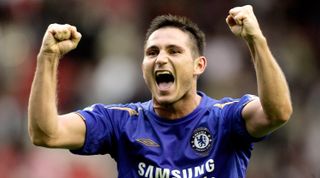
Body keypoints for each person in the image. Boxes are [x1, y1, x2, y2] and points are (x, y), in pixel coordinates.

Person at [28, 5, 292, 178]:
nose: (160, 59)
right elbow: (45, 134)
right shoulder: (120, 121)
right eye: (152, 52)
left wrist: (256, 40)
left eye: (174, 51)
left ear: (198, 65)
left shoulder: (225, 118)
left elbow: (278, 112)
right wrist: (48, 57)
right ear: (143, 66)